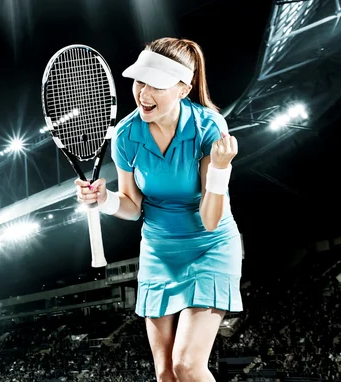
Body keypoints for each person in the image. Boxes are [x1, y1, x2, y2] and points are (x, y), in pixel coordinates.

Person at [75, 37, 243, 382]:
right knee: (166, 375)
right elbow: (132, 206)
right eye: (139, 81)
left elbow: (211, 220)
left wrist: (221, 169)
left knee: (187, 366)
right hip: (159, 250)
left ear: (183, 88)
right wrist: (103, 200)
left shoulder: (208, 127)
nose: (143, 93)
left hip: (209, 247)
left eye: (156, 85)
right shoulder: (125, 135)